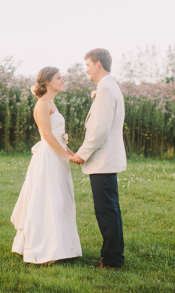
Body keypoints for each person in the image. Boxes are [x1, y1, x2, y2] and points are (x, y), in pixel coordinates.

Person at [10, 67, 83, 264]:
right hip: (48, 159)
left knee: (59, 200)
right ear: (48, 82)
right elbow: (48, 136)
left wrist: (72, 154)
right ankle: (43, 249)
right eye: (59, 78)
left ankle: (61, 247)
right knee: (47, 200)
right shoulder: (42, 104)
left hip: (57, 157)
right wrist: (67, 157)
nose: (63, 81)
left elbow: (59, 138)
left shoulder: (52, 103)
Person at [71, 48, 126, 270]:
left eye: (87, 65)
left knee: (106, 210)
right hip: (106, 160)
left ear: (98, 64)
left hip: (102, 161)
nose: (86, 70)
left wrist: (81, 154)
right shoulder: (110, 86)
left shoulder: (105, 89)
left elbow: (99, 129)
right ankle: (112, 256)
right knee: (110, 209)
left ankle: (112, 261)